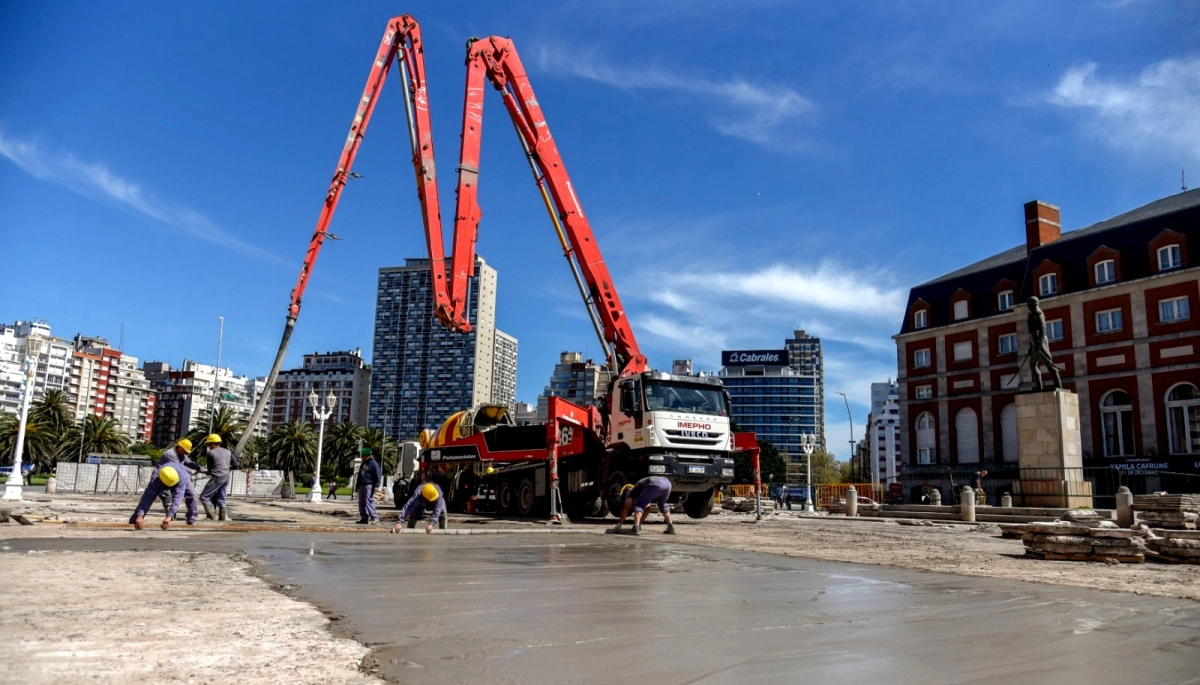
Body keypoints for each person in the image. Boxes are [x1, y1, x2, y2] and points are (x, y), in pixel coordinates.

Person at [130, 465, 195, 529]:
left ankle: (188, 520)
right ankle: (135, 520)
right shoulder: (155, 479)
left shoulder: (182, 478)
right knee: (166, 498)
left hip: (178, 479)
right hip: (161, 480)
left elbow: (177, 499)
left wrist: (169, 516)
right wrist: (140, 515)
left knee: (192, 495)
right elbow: (147, 498)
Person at [610, 476, 676, 535]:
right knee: (662, 505)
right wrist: (640, 524)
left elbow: (626, 508)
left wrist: (619, 524)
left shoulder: (630, 491)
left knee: (639, 505)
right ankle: (671, 528)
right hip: (667, 483)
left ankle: (635, 529)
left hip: (655, 483)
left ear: (627, 489)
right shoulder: (642, 487)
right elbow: (647, 508)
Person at [156, 438, 201, 518]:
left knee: (192, 494)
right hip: (164, 478)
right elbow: (178, 467)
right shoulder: (170, 454)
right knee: (168, 498)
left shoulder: (183, 455)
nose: (185, 453)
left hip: (178, 478)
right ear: (179, 447)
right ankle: (170, 518)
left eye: (187, 452)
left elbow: (190, 463)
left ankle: (191, 518)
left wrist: (202, 469)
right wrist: (191, 471)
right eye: (184, 451)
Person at [198, 434, 239, 521]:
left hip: (217, 477)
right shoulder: (228, 452)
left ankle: (210, 516)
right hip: (226, 477)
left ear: (213, 444)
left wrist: (205, 471)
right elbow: (236, 465)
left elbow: (209, 470)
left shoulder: (210, 453)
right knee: (221, 497)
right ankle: (222, 517)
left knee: (204, 497)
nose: (208, 446)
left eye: (209, 444)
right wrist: (227, 469)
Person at [356, 447, 382, 524]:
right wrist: (357, 485)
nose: (361, 457)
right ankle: (364, 518)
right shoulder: (363, 464)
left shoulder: (373, 464)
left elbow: (378, 474)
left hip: (369, 485)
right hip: (362, 485)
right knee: (361, 502)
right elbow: (360, 475)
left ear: (367, 456)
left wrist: (377, 485)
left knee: (368, 501)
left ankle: (374, 517)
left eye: (362, 456)